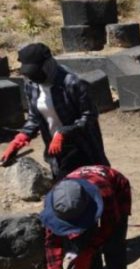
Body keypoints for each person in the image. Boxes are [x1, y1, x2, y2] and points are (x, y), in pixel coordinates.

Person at [0, 43, 109, 179]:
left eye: (36, 72)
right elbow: (34, 118)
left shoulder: (73, 83)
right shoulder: (31, 86)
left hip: (82, 146)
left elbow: (90, 115)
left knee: (90, 188)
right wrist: (19, 140)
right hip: (55, 148)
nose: (34, 77)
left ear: (48, 63)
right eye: (29, 73)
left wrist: (64, 132)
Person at [41, 165, 133, 269]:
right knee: (81, 244)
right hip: (84, 196)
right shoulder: (53, 203)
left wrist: (88, 253)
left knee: (114, 246)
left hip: (116, 191)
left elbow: (109, 227)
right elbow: (52, 240)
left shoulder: (105, 193)